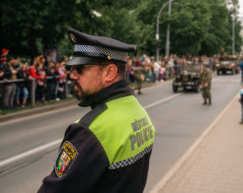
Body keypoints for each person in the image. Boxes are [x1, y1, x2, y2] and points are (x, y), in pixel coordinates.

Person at [38, 28, 155, 192]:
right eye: (71, 68)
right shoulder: (138, 110)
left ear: (109, 72)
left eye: (80, 68)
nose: (72, 75)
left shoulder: (90, 131)